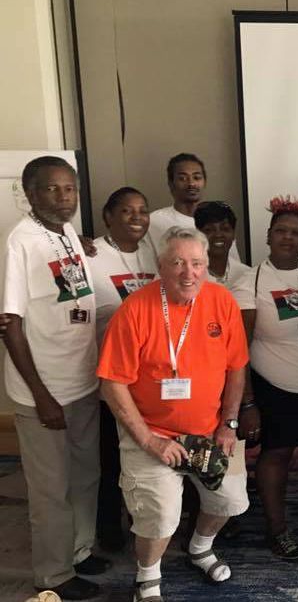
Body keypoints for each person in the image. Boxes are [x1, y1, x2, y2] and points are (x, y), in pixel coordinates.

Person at [98, 227, 250, 602]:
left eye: (197, 263)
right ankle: (147, 578)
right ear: (160, 266)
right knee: (160, 514)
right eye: (178, 263)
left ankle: (200, 547)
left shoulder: (222, 301)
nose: (189, 272)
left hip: (212, 429)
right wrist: (149, 441)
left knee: (230, 501)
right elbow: (112, 384)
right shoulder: (134, 309)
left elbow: (236, 367)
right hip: (151, 431)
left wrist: (229, 423)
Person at [2, 156, 108, 600]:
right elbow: (9, 323)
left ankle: (79, 551)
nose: (65, 198)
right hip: (42, 391)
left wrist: (82, 243)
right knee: (50, 491)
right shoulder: (20, 242)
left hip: (81, 379)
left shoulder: (65, 232)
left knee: (85, 476)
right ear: (30, 194)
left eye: (70, 189)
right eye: (53, 189)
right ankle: (53, 574)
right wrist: (41, 394)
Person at [234, 197, 298, 562]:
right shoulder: (250, 281)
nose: (288, 238)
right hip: (275, 388)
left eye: (296, 233)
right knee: (277, 457)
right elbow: (238, 349)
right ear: (268, 236)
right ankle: (277, 530)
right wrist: (249, 403)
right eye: (281, 231)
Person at [88, 187, 159, 552]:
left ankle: (141, 520)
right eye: (127, 210)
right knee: (109, 457)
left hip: (147, 380)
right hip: (110, 374)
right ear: (108, 216)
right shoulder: (92, 256)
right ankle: (108, 527)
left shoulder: (152, 252)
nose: (137, 217)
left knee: (140, 453)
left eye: (143, 210)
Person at [148, 153, 242, 262]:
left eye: (197, 177)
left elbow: (233, 263)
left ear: (204, 182)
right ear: (171, 183)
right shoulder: (154, 221)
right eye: (182, 178)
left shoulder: (219, 218)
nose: (191, 183)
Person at [194, 200, 251, 294]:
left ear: (233, 234)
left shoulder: (246, 274)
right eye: (209, 230)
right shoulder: (190, 275)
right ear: (198, 235)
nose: (218, 235)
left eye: (225, 229)